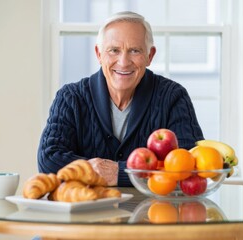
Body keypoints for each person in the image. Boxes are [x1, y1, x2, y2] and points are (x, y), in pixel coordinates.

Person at [37, 11, 204, 187]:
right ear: (99, 54)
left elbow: (190, 166)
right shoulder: (70, 98)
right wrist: (93, 168)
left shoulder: (173, 97)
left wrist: (119, 173)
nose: (123, 62)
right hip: (86, 211)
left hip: (153, 212)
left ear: (150, 56)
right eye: (114, 50)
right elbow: (48, 160)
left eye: (134, 50)